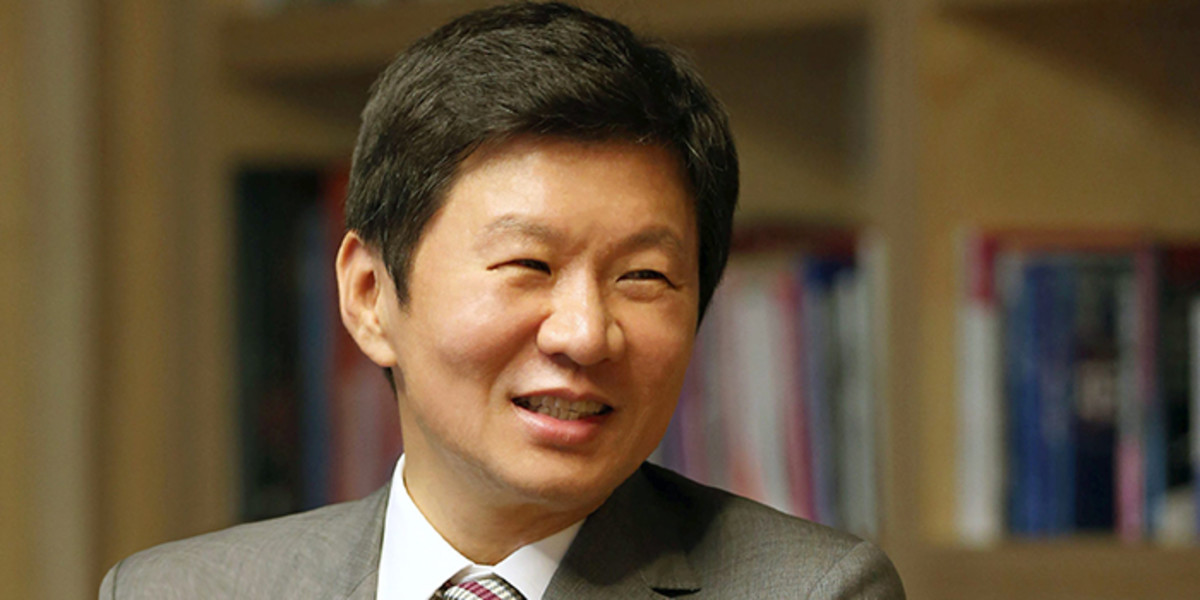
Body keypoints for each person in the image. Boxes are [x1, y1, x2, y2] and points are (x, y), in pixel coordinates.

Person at [100, 2, 905, 598]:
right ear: (370, 296)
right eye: (528, 264)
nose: (585, 333)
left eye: (643, 277)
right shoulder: (174, 592)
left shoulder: (812, 592)